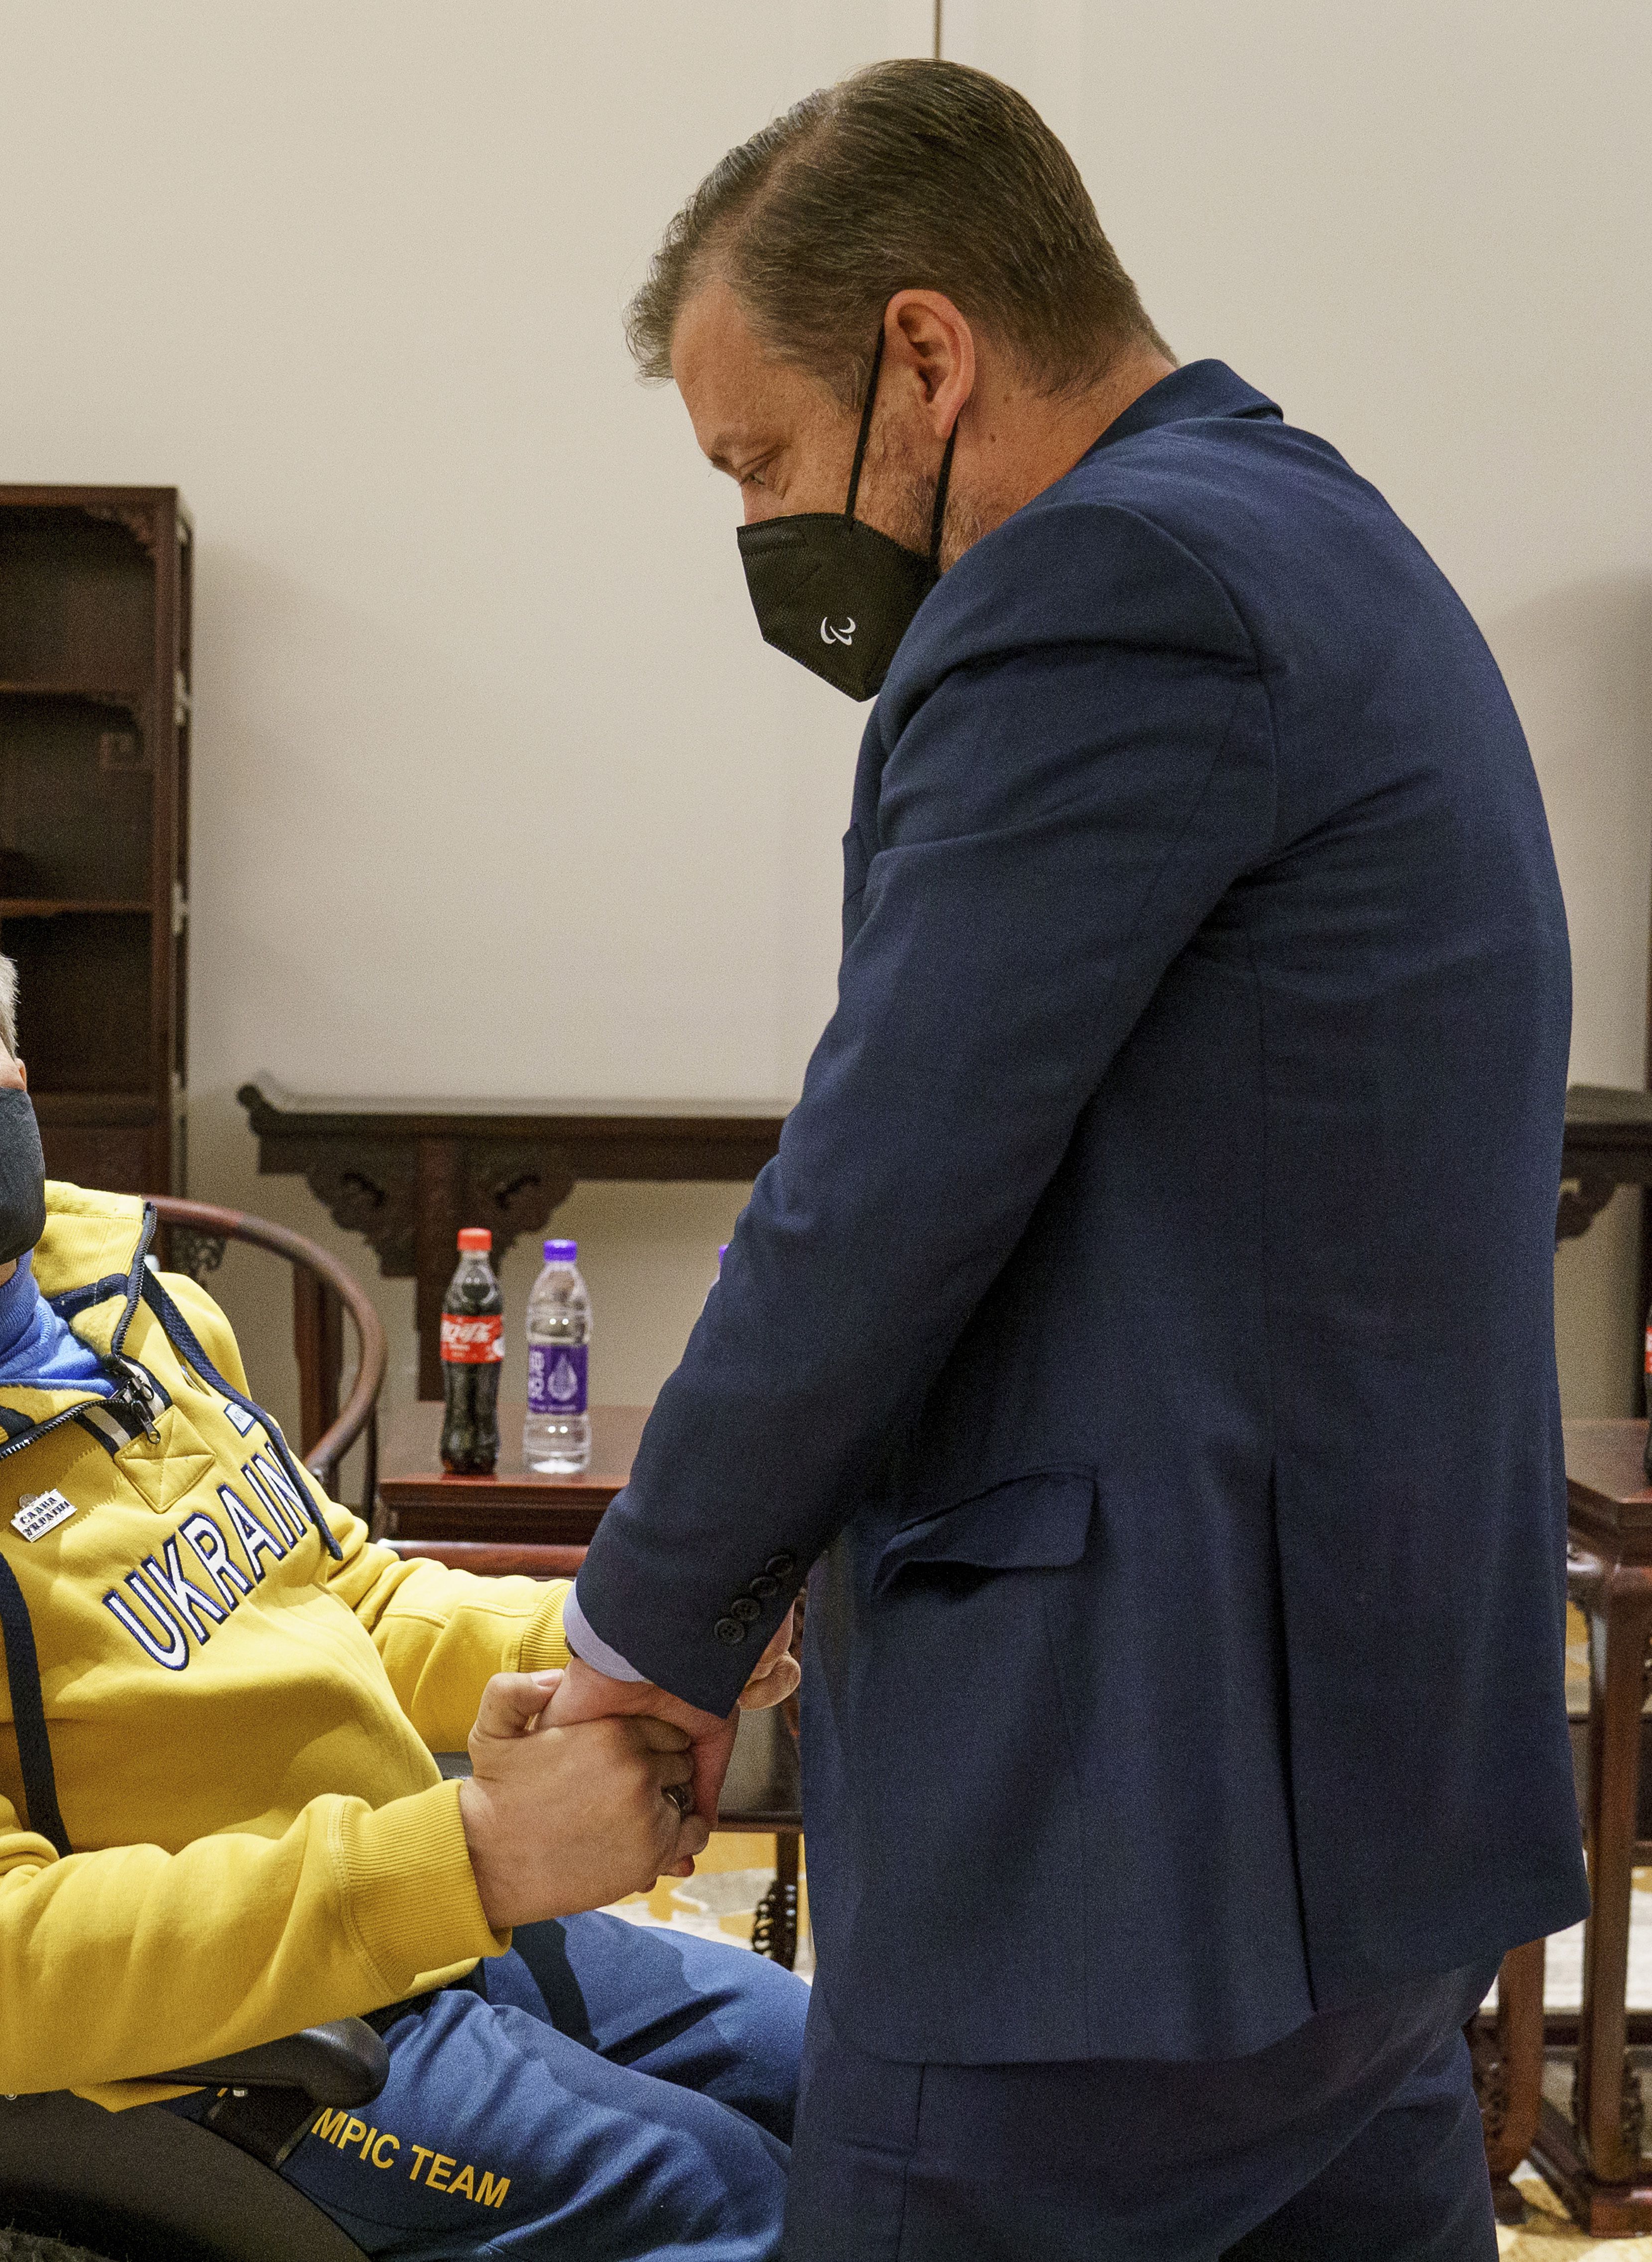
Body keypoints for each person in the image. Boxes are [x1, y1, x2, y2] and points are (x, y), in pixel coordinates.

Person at [545, 57, 1586, 2262]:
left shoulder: (1101, 582)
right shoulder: (1328, 537)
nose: (757, 534)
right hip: (1359, 1822)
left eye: (757, 459)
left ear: (926, 353)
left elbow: (889, 1182)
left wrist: (653, 1634)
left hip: (1120, 1842)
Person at [0, 866, 808, 2261]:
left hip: (418, 1929)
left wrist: (630, 1632)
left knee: (883, 2092)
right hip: (196, 2050)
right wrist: (475, 1852)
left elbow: (339, 1594)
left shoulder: (133, 1310)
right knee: (737, 2210)